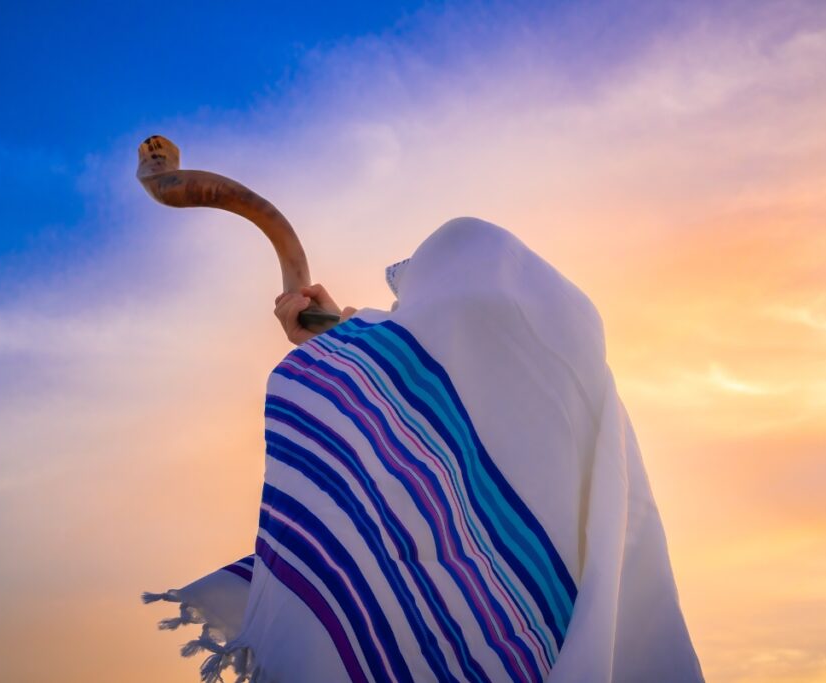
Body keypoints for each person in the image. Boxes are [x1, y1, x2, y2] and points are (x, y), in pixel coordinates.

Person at [144, 217, 704, 682]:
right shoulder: (583, 412)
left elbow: (414, 386)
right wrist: (340, 338)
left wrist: (340, 348)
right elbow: (424, 391)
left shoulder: (510, 398)